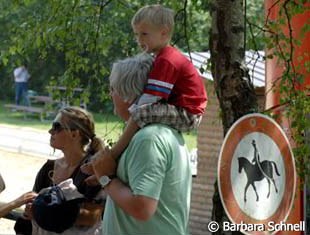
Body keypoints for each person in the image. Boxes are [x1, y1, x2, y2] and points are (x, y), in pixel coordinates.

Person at [90, 53, 192, 235]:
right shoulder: (158, 133)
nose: (110, 94)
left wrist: (106, 179)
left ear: (127, 94)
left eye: (112, 88)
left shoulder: (149, 139)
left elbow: (143, 208)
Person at [108, 4, 208, 160]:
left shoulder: (167, 61)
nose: (139, 40)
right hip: (182, 109)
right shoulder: (163, 57)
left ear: (164, 32)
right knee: (141, 112)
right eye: (136, 35)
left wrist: (133, 110)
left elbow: (150, 99)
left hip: (187, 113)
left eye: (144, 34)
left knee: (140, 113)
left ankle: (114, 153)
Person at [14, 106, 105, 235]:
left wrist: (46, 211)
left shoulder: (91, 169)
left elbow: (94, 216)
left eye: (57, 126)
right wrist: (31, 210)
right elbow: (32, 206)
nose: (50, 131)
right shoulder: (48, 168)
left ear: (75, 134)